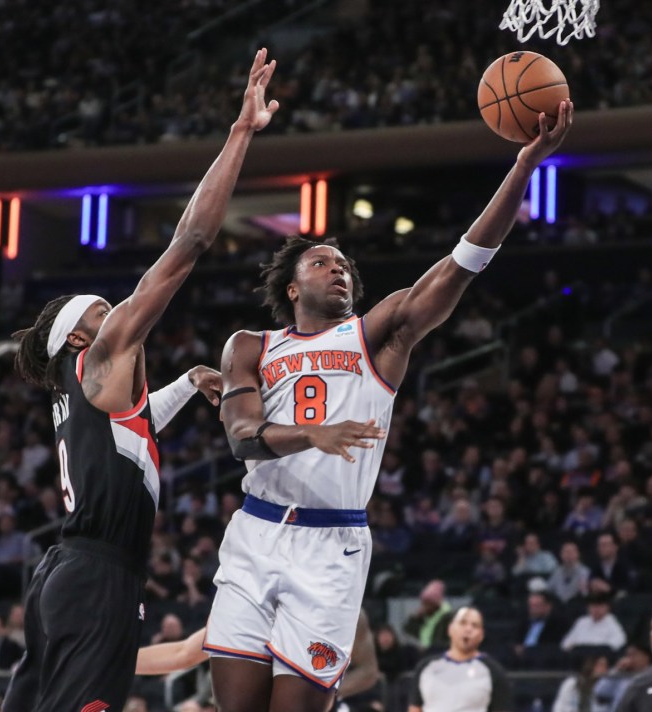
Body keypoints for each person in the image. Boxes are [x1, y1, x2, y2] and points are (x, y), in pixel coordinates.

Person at [209, 99, 573, 712]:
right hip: (255, 533)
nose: (339, 269)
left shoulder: (378, 335)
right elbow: (242, 436)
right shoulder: (250, 346)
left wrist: (525, 165)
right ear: (292, 286)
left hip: (332, 545)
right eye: (322, 262)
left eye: (345, 264)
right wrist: (311, 435)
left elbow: (463, 264)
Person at [1, 47, 278, 712]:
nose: (123, 315)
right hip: (94, 573)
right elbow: (189, 243)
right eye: (107, 311)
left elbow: (133, 429)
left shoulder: (90, 400)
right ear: (79, 338)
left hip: (73, 574)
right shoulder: (97, 359)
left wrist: (184, 383)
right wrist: (240, 133)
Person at [408, 607, 512, 712]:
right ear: (450, 629)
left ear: (481, 635)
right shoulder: (426, 667)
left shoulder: (494, 671)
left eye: (475, 625)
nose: (468, 629)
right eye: (462, 623)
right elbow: (415, 708)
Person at [592, 642, 652, 712]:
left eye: (634, 655)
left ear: (646, 657)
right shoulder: (620, 675)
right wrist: (617, 670)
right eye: (628, 655)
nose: (629, 659)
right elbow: (600, 693)